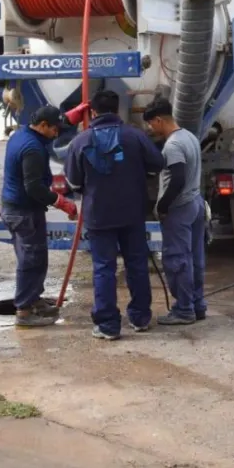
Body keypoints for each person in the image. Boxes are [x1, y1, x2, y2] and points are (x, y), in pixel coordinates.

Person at [64, 89, 165, 340]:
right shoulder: (135, 136)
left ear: (93, 112)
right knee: (137, 264)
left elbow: (73, 181)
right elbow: (157, 163)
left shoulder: (81, 141)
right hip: (132, 213)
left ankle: (108, 326)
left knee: (103, 269)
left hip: (98, 216)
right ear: (118, 109)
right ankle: (140, 318)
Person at [0, 105, 79, 327]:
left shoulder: (21, 134)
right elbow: (33, 187)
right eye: (54, 129)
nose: (56, 134)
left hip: (18, 209)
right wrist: (62, 202)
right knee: (30, 260)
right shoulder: (32, 148)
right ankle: (24, 311)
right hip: (23, 211)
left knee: (37, 257)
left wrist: (73, 115)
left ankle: (34, 299)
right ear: (43, 125)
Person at [142, 98, 207, 325]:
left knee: (177, 260)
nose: (151, 128)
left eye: (151, 123)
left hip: (179, 208)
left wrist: (162, 206)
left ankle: (184, 310)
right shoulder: (190, 137)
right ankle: (197, 305)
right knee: (195, 258)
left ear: (159, 120)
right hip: (196, 203)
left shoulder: (173, 145)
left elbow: (177, 178)